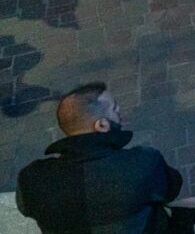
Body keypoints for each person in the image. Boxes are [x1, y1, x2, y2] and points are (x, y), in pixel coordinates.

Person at [17, 82, 182, 233]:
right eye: (115, 110)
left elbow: (25, 208)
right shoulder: (143, 161)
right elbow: (171, 189)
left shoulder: (31, 178)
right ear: (102, 125)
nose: (121, 115)